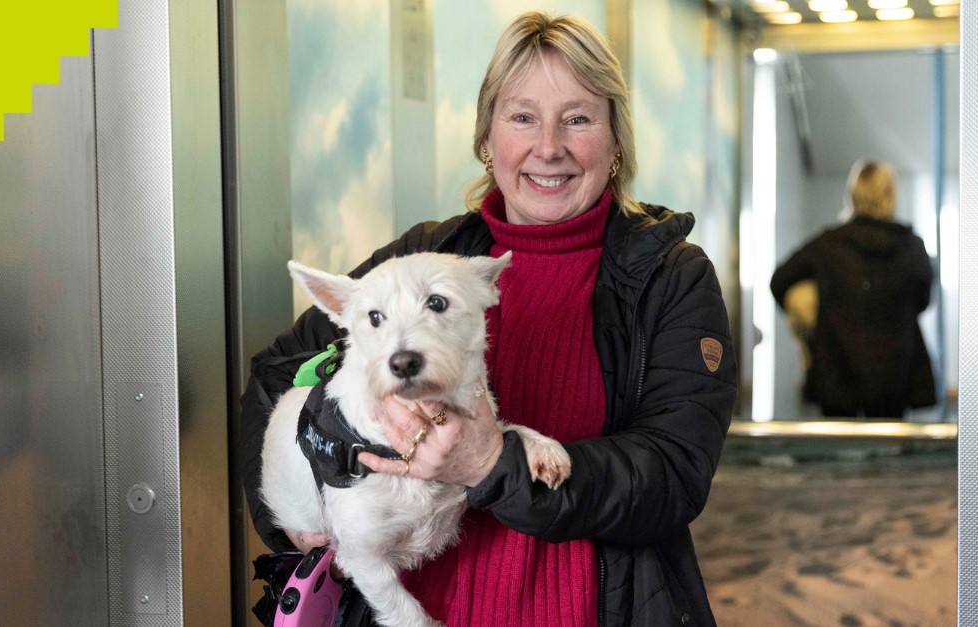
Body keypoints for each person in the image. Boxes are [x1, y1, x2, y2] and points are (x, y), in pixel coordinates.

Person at [241, 11, 737, 627]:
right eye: (522, 117)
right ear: (487, 136)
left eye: (577, 118)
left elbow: (672, 474)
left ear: (615, 142)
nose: (548, 147)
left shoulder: (670, 277)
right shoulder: (419, 261)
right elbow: (271, 382)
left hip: (591, 610)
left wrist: (491, 466)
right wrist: (300, 522)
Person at [770, 159, 935, 419]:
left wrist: (812, 322)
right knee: (890, 455)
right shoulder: (913, 248)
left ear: (852, 195)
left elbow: (779, 281)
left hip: (837, 376)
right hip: (896, 378)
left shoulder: (828, 245)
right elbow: (923, 301)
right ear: (891, 195)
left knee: (836, 455)